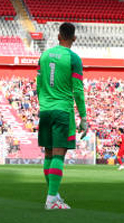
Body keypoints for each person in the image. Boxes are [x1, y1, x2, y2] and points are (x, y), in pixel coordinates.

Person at [37, 22, 87, 210]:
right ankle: (51, 200)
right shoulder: (73, 58)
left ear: (58, 36)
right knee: (59, 154)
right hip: (62, 111)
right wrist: (83, 117)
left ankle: (53, 195)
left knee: (48, 154)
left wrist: (42, 105)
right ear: (74, 38)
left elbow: (39, 83)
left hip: (46, 110)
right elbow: (78, 90)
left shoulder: (44, 55)